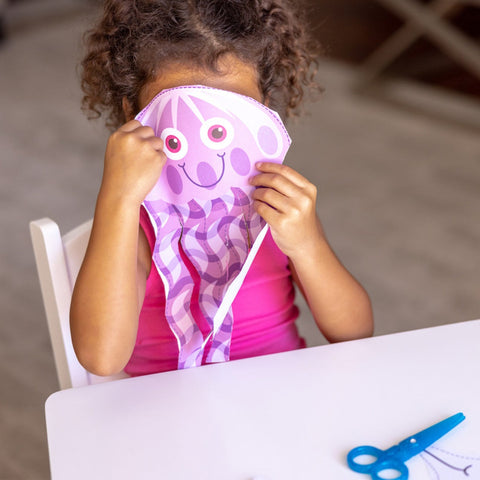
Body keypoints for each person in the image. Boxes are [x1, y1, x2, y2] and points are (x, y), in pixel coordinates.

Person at [71, 0, 374, 377]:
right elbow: (101, 359)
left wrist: (307, 244)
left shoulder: (276, 209)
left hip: (280, 396)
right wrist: (118, 200)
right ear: (134, 115)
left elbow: (356, 332)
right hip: (168, 413)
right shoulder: (135, 225)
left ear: (263, 107)